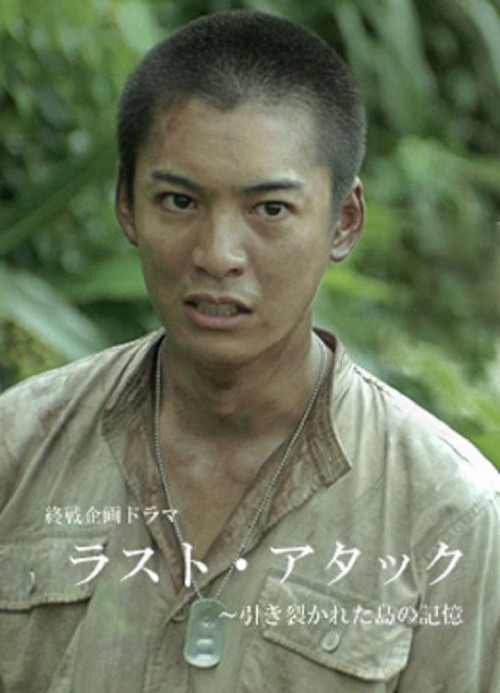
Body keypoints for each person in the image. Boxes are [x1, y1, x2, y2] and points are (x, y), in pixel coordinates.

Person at [0, 10, 498, 693]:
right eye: (179, 201)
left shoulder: (447, 516)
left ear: (344, 220)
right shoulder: (20, 449)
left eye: (270, 210)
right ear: (126, 205)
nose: (218, 254)